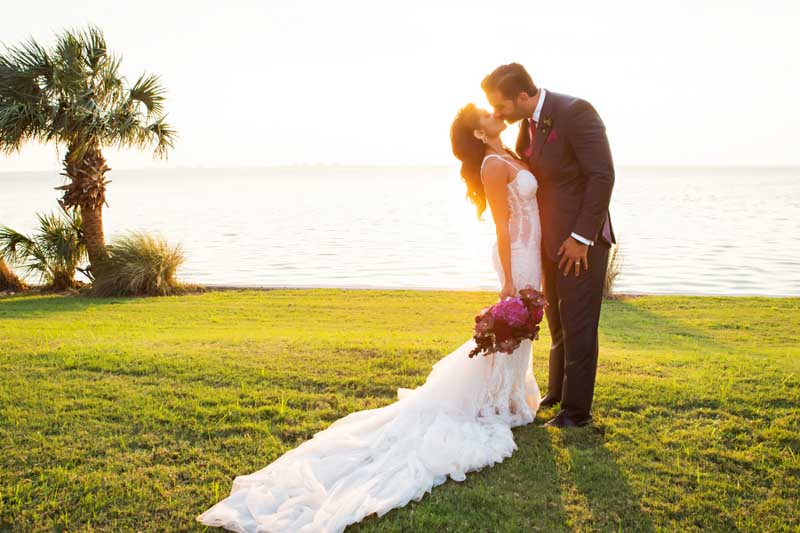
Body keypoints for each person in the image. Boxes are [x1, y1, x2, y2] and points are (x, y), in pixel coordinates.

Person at [195, 103, 543, 532]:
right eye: (486, 112)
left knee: (523, 330)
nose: (495, 113)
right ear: (477, 133)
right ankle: (494, 402)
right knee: (514, 324)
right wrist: (508, 279)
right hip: (518, 256)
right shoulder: (493, 163)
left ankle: (507, 396)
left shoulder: (509, 151)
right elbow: (503, 226)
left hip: (533, 253)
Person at [482, 63, 616, 428]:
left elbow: (602, 175)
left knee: (579, 325)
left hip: (580, 244)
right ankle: (557, 394)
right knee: (557, 324)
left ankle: (577, 413)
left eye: (501, 106)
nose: (497, 113)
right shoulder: (526, 128)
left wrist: (581, 238)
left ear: (522, 96)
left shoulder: (576, 112)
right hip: (549, 244)